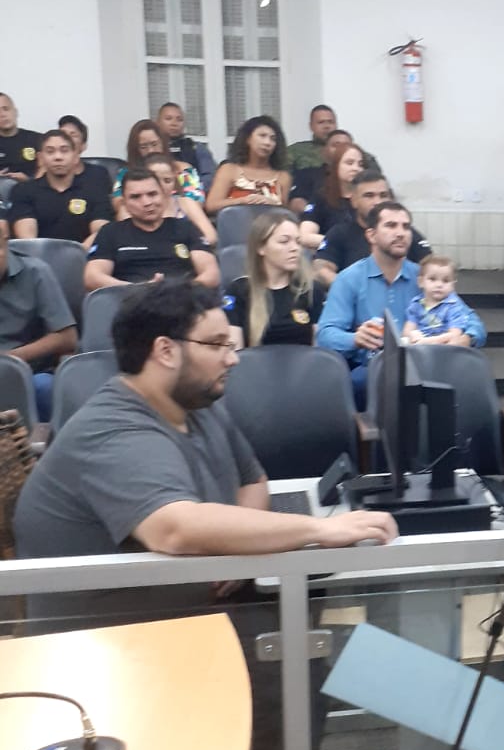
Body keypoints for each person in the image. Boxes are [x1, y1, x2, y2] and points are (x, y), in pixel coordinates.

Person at [14, 278, 395, 559]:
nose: (232, 359)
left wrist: (231, 546)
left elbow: (253, 480)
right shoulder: (113, 429)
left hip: (194, 606)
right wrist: (319, 529)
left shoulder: (197, 403)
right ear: (165, 351)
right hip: (119, 632)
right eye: (215, 345)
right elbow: (175, 530)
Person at [317, 201, 483, 404]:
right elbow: (326, 335)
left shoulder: (425, 278)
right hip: (374, 370)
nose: (400, 233)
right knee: (361, 381)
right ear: (371, 235)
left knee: (467, 378)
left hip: (427, 364)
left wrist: (466, 339)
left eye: (406, 227)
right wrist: (355, 339)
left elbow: (473, 322)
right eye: (391, 225)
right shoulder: (349, 279)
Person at [84, 167, 220, 290]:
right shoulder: (110, 232)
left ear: (164, 196)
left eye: (152, 194)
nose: (147, 202)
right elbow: (92, 277)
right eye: (136, 197)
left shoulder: (185, 227)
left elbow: (211, 274)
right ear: (124, 203)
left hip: (183, 299)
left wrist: (178, 291)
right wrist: (139, 289)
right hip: (130, 301)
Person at [0, 215, 77, 420]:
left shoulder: (36, 272)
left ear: (5, 244)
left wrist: (11, 358)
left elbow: (67, 337)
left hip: (28, 372)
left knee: (45, 388)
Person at [225, 210, 325, 348]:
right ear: (261, 248)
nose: (295, 248)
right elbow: (234, 350)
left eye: (298, 242)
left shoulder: (311, 290)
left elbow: (319, 351)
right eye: (284, 241)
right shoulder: (239, 290)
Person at [9, 126, 113, 243]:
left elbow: (100, 231)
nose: (58, 157)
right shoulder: (23, 190)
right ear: (40, 158)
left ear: (75, 157)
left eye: (64, 150)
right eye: (50, 151)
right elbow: (27, 239)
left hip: (84, 253)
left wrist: (79, 252)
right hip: (38, 253)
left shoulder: (95, 190)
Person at [207, 116, 291, 212]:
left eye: (273, 139)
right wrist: (243, 201)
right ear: (247, 139)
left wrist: (272, 204)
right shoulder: (229, 170)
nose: (268, 142)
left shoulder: (282, 177)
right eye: (262, 136)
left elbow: (285, 213)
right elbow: (211, 205)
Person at [115, 120, 203, 206]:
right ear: (136, 150)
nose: (151, 150)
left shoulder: (183, 169)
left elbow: (197, 200)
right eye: (143, 147)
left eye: (154, 144)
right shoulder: (126, 173)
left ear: (163, 144)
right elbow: (118, 202)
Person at [297, 139, 367, 246]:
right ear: (336, 166)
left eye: (360, 164)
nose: (356, 168)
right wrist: (339, 243)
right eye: (349, 163)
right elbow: (305, 237)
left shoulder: (369, 197)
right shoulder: (321, 197)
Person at [141, 151, 217, 246]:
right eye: (156, 180)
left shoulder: (186, 202)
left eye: (167, 181)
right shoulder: (135, 205)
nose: (162, 186)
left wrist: (195, 246)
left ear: (174, 180)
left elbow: (211, 236)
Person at [286, 104, 379, 180]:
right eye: (321, 122)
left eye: (330, 122)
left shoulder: (360, 155)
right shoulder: (295, 152)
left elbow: (375, 180)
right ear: (311, 126)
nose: (327, 126)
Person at [402, 255, 481, 344]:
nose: (439, 285)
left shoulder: (453, 306)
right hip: (419, 346)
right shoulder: (416, 304)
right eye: (432, 279)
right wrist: (412, 335)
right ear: (421, 282)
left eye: (445, 281)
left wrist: (428, 341)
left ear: (453, 285)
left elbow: (455, 334)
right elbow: (408, 330)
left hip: (443, 347)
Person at [156, 101, 216, 186]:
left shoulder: (196, 148)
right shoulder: (152, 148)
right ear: (157, 122)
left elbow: (209, 177)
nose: (174, 123)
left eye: (179, 120)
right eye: (168, 118)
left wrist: (192, 188)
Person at [57, 115, 112, 185]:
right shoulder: (48, 175)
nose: (66, 138)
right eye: (62, 134)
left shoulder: (98, 175)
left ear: (83, 146)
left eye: (73, 135)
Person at [0, 94, 41, 179]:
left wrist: (29, 180)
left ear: (15, 112)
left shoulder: (37, 139)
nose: (2, 115)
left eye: (6, 109)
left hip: (33, 186)